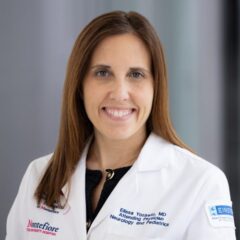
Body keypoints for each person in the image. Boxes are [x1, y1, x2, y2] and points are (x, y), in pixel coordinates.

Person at [6, 10, 236, 240]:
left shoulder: (201, 183)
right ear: (80, 86)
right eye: (103, 73)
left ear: (156, 88)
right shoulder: (39, 176)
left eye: (136, 74)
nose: (120, 93)